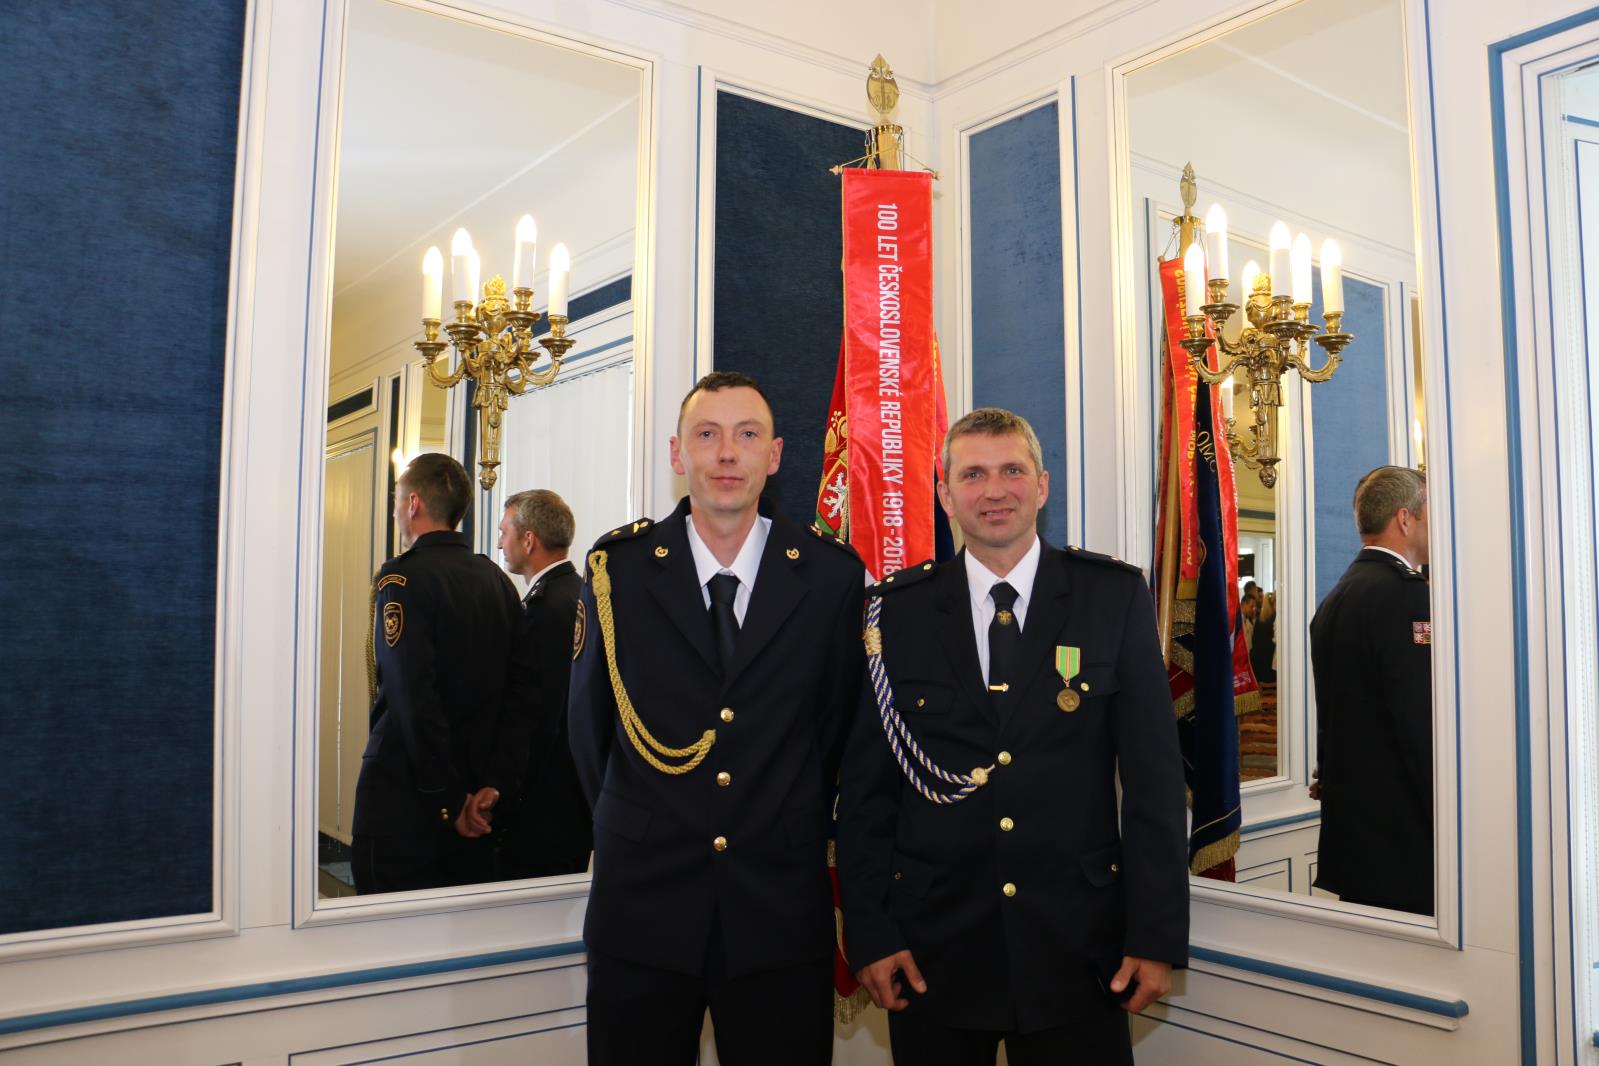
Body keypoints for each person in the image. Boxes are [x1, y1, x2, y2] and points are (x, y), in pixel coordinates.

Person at [836, 408, 1189, 1066]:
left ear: (1042, 485)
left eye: (1011, 471)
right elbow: (865, 794)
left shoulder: (1110, 597)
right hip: (932, 949)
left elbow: (1154, 785)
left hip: (1079, 948)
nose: (993, 491)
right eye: (972, 474)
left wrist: (1155, 936)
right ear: (944, 493)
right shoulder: (894, 612)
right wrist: (871, 933)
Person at [567, 371, 866, 1066]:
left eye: (747, 435)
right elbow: (587, 733)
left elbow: (836, 734)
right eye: (707, 435)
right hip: (641, 909)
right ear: (677, 454)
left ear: (775, 455)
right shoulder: (618, 570)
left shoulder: (830, 577)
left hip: (777, 912)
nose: (727, 453)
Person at [351, 453, 529, 894]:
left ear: (413, 503)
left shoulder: (401, 580)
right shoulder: (497, 581)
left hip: (406, 806)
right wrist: (491, 788)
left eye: (397, 499)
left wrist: (448, 802)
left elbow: (413, 700)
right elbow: (521, 697)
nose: (396, 510)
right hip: (479, 806)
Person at [1309, 465, 1432, 916]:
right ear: (1405, 519)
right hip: (1403, 838)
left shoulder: (1338, 596)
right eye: (1430, 512)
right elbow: (1419, 723)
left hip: (1355, 834)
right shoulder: (1406, 596)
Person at [471, 488, 591, 879]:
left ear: (528, 540)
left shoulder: (544, 608)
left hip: (544, 804)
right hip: (573, 798)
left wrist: (501, 786)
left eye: (503, 531)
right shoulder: (580, 594)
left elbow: (533, 714)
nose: (499, 543)